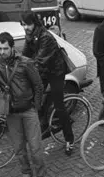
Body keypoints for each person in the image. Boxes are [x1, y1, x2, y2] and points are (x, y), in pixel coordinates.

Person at [0, 32, 49, 177]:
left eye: (5, 48)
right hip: (11, 112)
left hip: (28, 110)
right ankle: (26, 174)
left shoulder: (25, 63)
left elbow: (38, 85)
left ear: (12, 47)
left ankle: (42, 176)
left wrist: (36, 106)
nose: (2, 52)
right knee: (19, 148)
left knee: (35, 147)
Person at [21, 11, 75, 156]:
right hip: (44, 71)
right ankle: (44, 122)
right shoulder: (30, 35)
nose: (25, 27)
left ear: (35, 23)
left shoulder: (46, 37)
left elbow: (39, 61)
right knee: (35, 99)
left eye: (28, 24)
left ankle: (70, 139)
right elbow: (25, 56)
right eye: (23, 24)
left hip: (56, 72)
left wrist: (26, 72)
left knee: (59, 105)